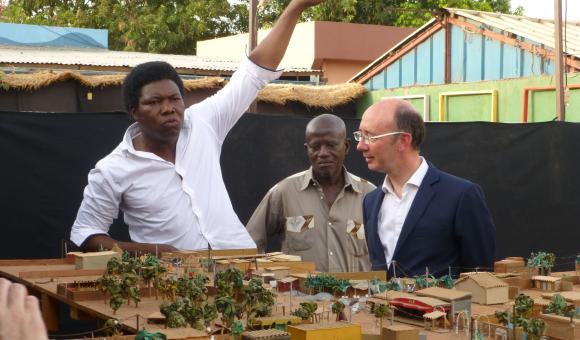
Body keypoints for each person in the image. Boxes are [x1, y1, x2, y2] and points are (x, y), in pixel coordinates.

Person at [70, 0, 325, 254]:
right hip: (175, 282)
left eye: (174, 99)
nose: (168, 108)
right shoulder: (113, 169)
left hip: (239, 263)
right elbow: (87, 234)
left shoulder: (203, 122)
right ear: (134, 112)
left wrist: (295, 8)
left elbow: (254, 73)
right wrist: (152, 251)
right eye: (155, 102)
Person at [356, 99, 496, 278]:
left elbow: (481, 275)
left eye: (370, 136)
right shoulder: (371, 201)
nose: (361, 145)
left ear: (403, 141)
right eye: (360, 136)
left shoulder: (461, 195)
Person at [246, 114, 376, 272]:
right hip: (299, 296)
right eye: (315, 147)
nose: (323, 153)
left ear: (346, 146)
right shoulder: (284, 192)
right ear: (306, 149)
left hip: (356, 295)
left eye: (331, 145)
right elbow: (250, 243)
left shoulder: (370, 195)